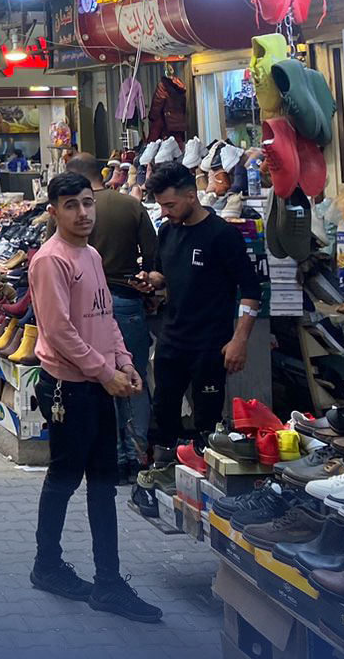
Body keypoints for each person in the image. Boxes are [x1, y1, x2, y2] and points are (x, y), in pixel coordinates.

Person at [27, 173, 160, 623]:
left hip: (99, 383)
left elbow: (105, 317)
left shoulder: (92, 254)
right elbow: (59, 331)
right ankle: (47, 566)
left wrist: (124, 361)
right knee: (64, 478)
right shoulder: (51, 260)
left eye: (87, 203)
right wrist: (105, 372)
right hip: (69, 388)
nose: (83, 213)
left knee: (103, 482)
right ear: (54, 211)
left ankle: (108, 582)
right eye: (71, 205)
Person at [140, 161, 261, 479]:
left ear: (191, 196)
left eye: (170, 204)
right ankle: (162, 471)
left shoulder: (222, 235)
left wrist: (239, 340)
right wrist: (150, 281)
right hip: (171, 339)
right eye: (161, 205)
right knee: (163, 410)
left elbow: (251, 292)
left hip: (210, 344)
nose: (165, 212)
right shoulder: (167, 231)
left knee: (207, 416)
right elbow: (162, 275)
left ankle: (208, 476)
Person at [57, 154, 158, 475]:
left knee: (100, 381)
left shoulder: (65, 209)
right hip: (127, 300)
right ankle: (137, 454)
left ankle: (112, 456)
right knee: (134, 378)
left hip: (84, 305)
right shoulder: (130, 205)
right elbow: (152, 256)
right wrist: (148, 285)